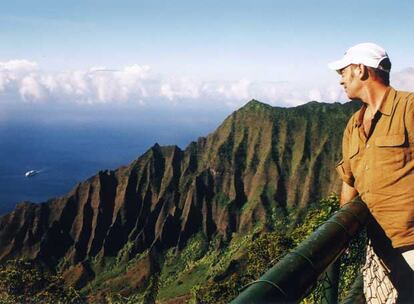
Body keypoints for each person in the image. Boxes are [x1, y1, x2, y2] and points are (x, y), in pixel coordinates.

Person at [329, 42, 414, 302]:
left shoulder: (409, 109)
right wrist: (341, 231)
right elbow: (349, 182)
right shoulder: (353, 126)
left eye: (343, 72)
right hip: (379, 248)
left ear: (361, 70)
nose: (341, 80)